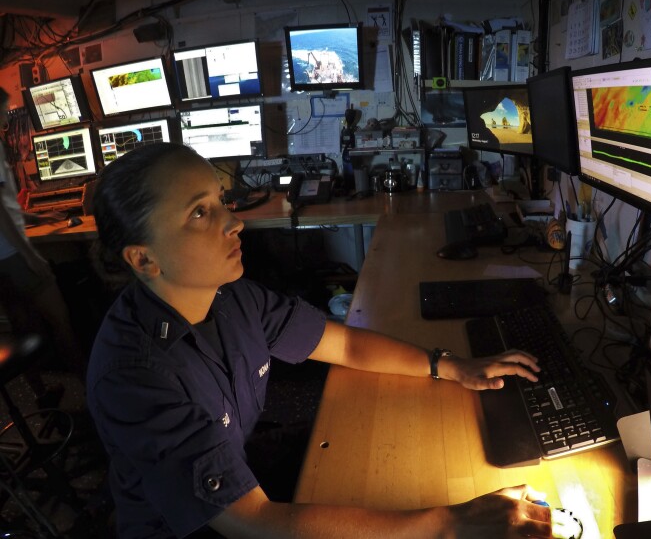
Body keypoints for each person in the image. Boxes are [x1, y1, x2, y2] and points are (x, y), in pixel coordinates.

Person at [87, 142, 553, 539]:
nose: (234, 223)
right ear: (144, 259)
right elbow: (253, 522)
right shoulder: (133, 375)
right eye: (200, 213)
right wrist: (451, 524)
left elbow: (345, 346)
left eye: (221, 201)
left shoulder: (232, 297)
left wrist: (449, 365)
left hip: (246, 469)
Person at [0, 87, 83, 406]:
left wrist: (39, 216)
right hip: (11, 257)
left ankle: (41, 395)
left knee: (23, 326)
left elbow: (6, 207)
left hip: (2, 264)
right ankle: (89, 389)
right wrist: (30, 257)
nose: (5, 121)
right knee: (62, 321)